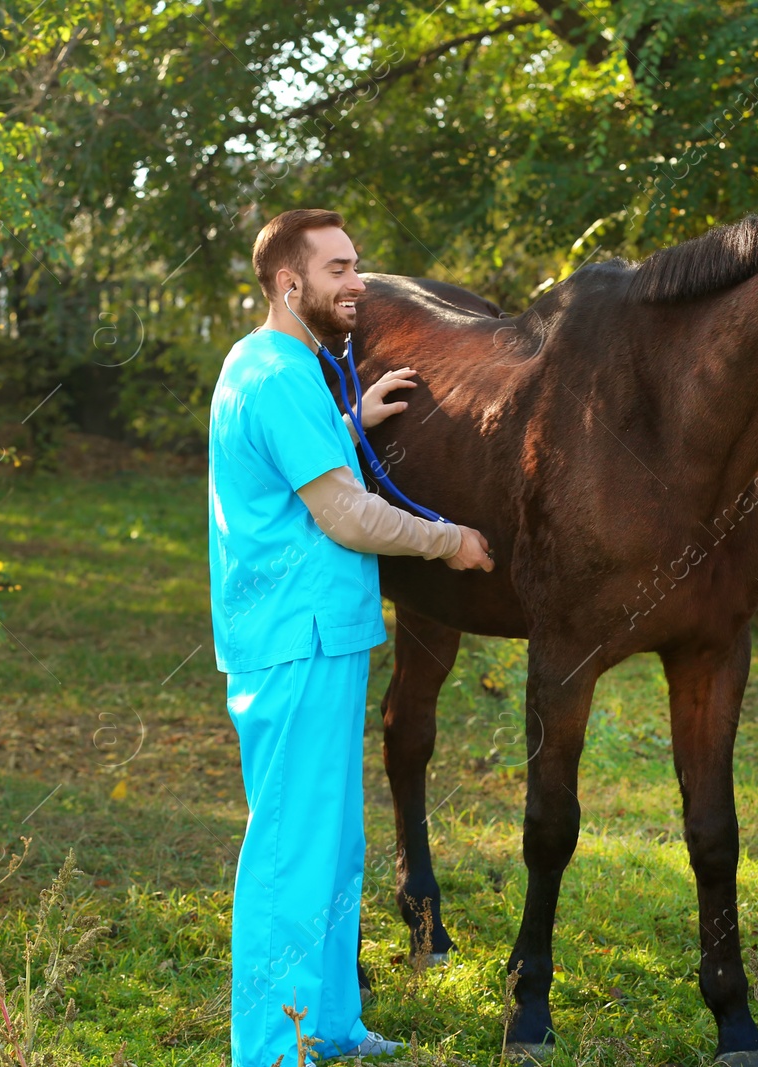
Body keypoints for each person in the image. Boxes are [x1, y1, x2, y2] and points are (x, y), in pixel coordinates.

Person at [208, 208, 493, 1064]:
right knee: (292, 849)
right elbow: (343, 512)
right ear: (290, 284)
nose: (358, 282)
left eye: (357, 264)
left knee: (333, 843)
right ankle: (271, 1047)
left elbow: (294, 462)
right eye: (338, 268)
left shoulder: (272, 363)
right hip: (292, 640)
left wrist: (353, 420)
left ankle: (330, 1024)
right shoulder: (282, 375)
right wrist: (452, 540)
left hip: (320, 637)